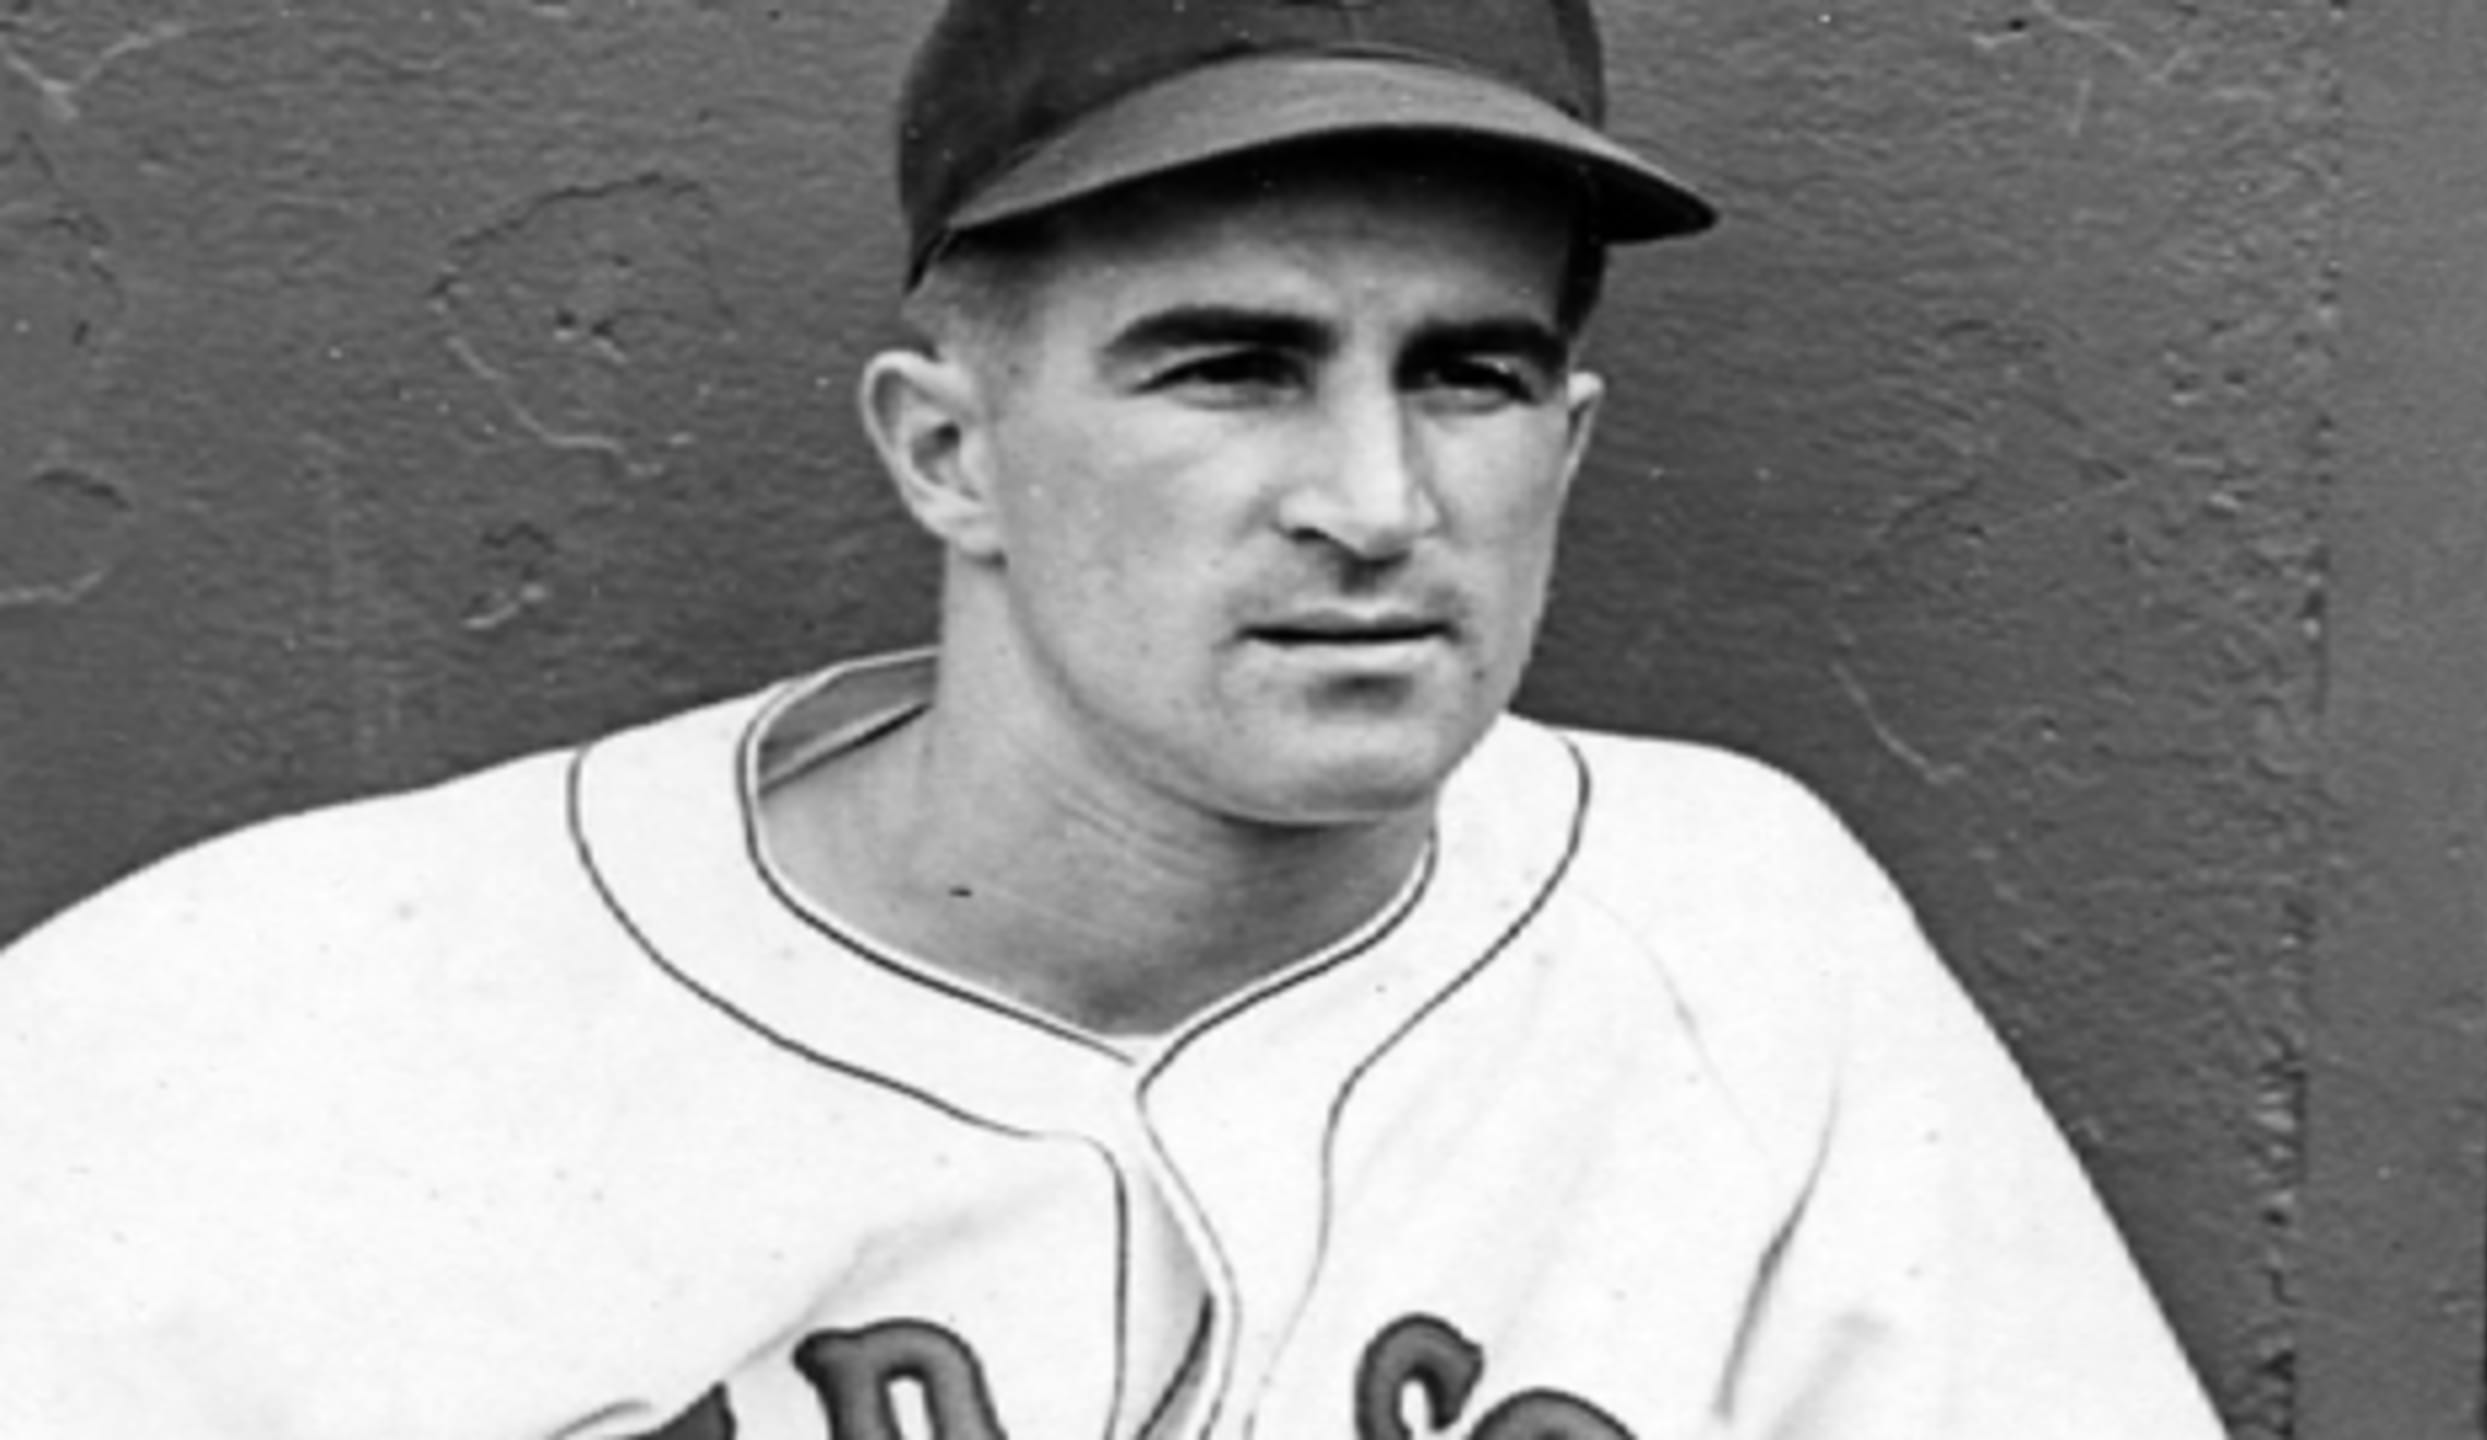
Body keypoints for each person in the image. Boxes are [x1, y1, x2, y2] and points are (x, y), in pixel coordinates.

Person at [0, 1, 2227, 1436]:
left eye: (1466, 374)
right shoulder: (251, 1028)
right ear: (944, 452)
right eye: (1231, 368)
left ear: (1568, 443)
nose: (1377, 504)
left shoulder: (1731, 933)